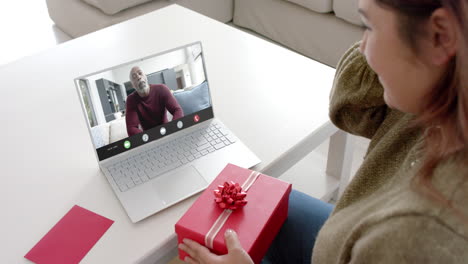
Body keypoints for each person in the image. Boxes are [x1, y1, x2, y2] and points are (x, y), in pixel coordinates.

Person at [179, 0, 468, 263]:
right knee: (254, 206)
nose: (362, 49)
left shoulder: (415, 236)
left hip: (365, 244)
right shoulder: (440, 91)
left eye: (368, 26)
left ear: (440, 36)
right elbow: (350, 106)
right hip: (350, 234)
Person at [125, 66, 184, 136]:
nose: (138, 77)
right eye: (134, 77)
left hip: (167, 132)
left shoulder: (162, 89)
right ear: (133, 85)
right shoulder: (131, 100)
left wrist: (172, 128)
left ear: (145, 76)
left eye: (140, 73)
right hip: (148, 138)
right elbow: (131, 128)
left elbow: (177, 110)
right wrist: (147, 137)